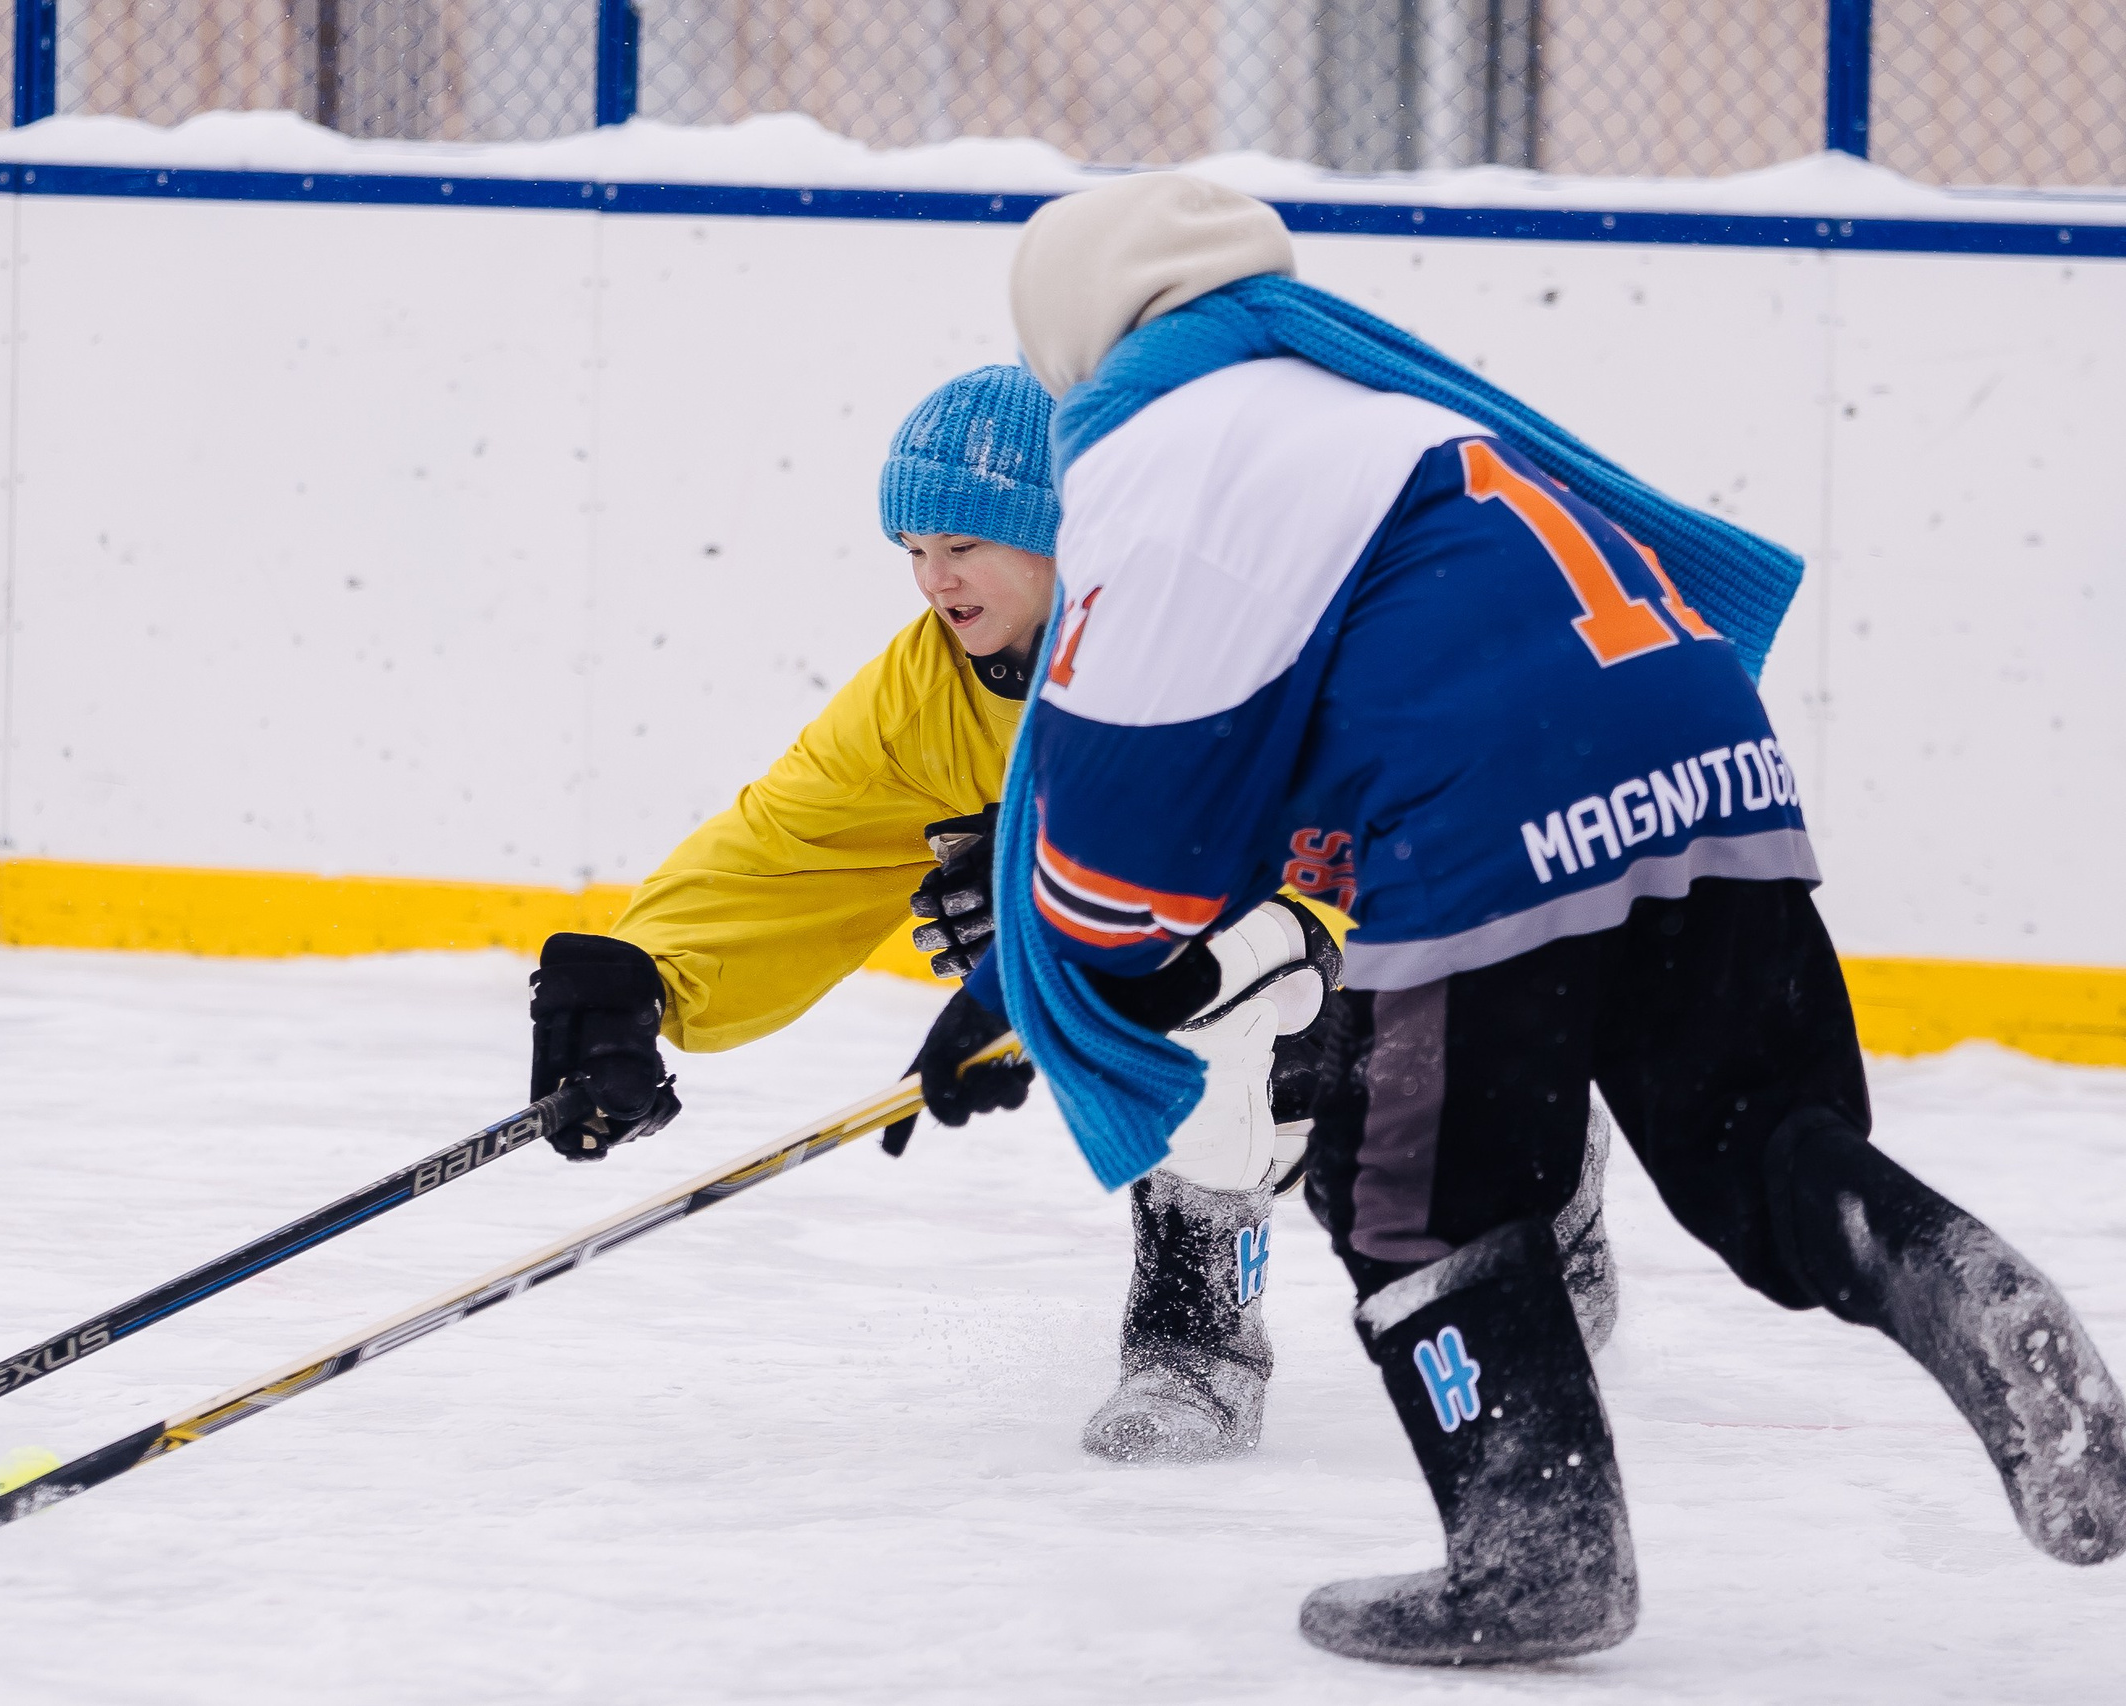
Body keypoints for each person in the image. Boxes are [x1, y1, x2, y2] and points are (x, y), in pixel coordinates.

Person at [938, 171, 2126, 1665]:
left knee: (1408, 1195)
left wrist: (1050, 985)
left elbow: (1126, 836)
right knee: (1761, 1142)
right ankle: (1972, 1287)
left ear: (1070, 332)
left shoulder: (1162, 448)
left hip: (1494, 802)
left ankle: (1534, 1546)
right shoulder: (1362, 399)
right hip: (1702, 758)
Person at [522, 365, 1606, 1463]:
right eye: (913, 549)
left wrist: (1076, 892)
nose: (934, 580)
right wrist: (638, 976)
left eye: (966, 544)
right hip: (1265, 979)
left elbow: (1365, 833)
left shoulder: (1219, 640)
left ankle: (1547, 1193)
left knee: (1252, 1025)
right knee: (1189, 1007)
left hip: (1436, 931)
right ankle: (1196, 1346)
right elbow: (789, 844)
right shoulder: (928, 689)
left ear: (1063, 533)